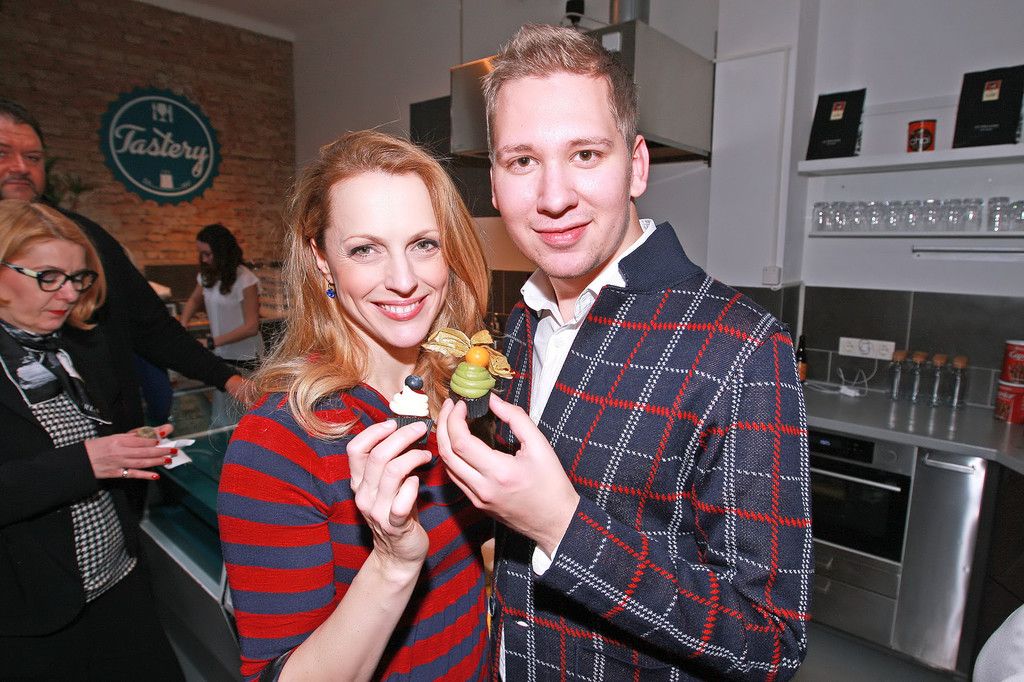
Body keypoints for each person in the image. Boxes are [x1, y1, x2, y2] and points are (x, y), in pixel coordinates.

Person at [436, 24, 813, 680]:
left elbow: (769, 643)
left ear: (636, 166)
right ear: (494, 183)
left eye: (585, 153)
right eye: (522, 161)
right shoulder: (520, 324)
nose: (554, 197)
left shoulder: (743, 349)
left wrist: (564, 528)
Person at [217, 130, 492, 681]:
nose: (404, 280)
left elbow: (468, 555)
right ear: (321, 261)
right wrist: (392, 562)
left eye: (424, 244)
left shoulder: (455, 391)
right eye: (365, 249)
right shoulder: (279, 443)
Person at [0, 200, 183, 679]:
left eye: (77, 278)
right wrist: (87, 462)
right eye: (48, 277)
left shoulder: (70, 349)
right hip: (35, 617)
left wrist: (127, 444)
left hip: (117, 579)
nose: (67, 294)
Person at [0, 98, 247, 429]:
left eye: (33, 157)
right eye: (2, 153)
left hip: (114, 439)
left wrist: (228, 378)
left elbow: (150, 325)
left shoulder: (86, 237)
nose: (20, 167)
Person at [179, 223, 263, 373]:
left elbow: (251, 327)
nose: (204, 259)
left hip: (246, 356)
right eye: (201, 254)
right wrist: (183, 324)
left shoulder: (245, 279)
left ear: (222, 253)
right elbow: (194, 300)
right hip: (221, 353)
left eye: (207, 254)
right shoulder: (207, 276)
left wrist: (212, 342)